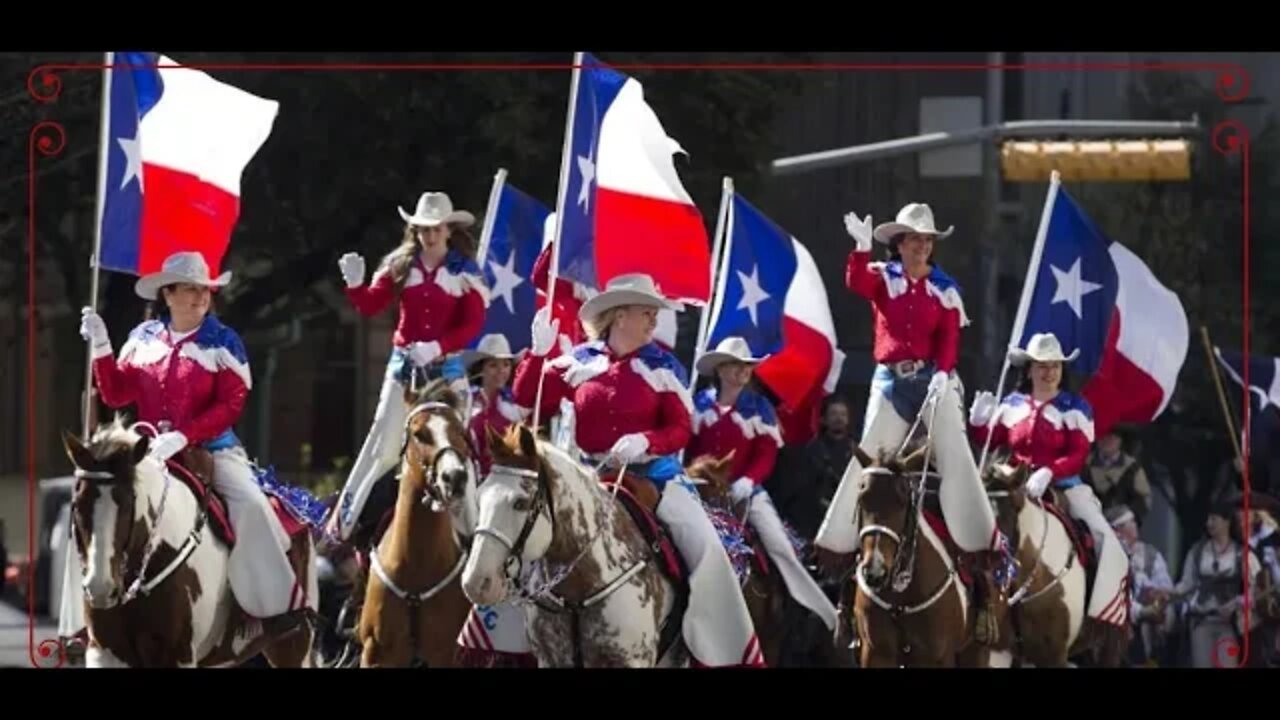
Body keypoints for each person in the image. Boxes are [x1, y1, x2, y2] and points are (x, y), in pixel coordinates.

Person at [512, 273, 764, 667]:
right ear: (619, 316)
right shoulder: (578, 360)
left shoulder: (665, 366)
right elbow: (528, 400)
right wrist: (537, 354)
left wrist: (646, 441)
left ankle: (722, 653)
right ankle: (506, 642)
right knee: (522, 542)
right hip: (590, 477)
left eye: (653, 314)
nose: (653, 321)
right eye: (647, 313)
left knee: (709, 549)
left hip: (655, 477)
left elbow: (680, 428)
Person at [77, 251, 308, 634]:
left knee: (251, 505)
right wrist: (102, 348)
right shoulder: (142, 338)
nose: (200, 297)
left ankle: (277, 608)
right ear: (167, 295)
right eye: (189, 289)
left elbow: (231, 403)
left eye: (205, 290)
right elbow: (116, 395)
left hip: (212, 449)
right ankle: (86, 617)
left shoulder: (223, 340)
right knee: (96, 506)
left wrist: (184, 435)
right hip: (147, 452)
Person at [815, 203, 1012, 628]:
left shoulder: (945, 288)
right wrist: (860, 250)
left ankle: (980, 551)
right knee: (869, 461)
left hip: (932, 379)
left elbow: (948, 342)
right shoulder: (884, 278)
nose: (922, 246)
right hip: (890, 380)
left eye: (927, 240)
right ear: (900, 245)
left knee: (956, 457)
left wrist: (942, 375)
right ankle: (842, 555)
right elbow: (855, 282)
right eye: (914, 239)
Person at [327, 191, 488, 543]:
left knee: (459, 447)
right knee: (381, 446)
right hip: (404, 367)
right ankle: (340, 530)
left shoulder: (465, 272)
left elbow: (473, 324)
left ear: (449, 230)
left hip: (446, 371)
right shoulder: (401, 265)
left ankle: (471, 537)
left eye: (436, 228)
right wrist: (356, 286)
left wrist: (439, 346)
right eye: (422, 228)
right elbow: (370, 305)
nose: (429, 235)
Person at [969, 332, 1131, 635]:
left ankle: (1101, 615)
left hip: (1064, 485)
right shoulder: (1012, 403)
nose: (1049, 372)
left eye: (1055, 365)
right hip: (1011, 483)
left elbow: (1079, 453)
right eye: (1042, 365)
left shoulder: (1075, 406)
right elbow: (988, 441)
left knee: (1104, 538)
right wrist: (978, 422)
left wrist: (1049, 472)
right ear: (1029, 369)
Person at [686, 336, 839, 634]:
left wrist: (748, 480)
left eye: (747, 367)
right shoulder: (699, 404)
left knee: (779, 546)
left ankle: (820, 615)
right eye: (735, 366)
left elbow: (766, 454)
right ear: (720, 370)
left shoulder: (759, 407)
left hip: (747, 492)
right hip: (701, 491)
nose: (742, 373)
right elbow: (688, 449)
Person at [1106, 504, 1174, 665]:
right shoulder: (1110, 557)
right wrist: (1142, 611)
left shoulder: (1150, 553)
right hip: (1119, 626)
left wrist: (1156, 593)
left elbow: (1165, 585)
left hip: (1146, 626)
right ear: (1118, 530)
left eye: (1134, 522)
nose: (1134, 525)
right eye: (1129, 522)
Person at [460, 333, 527, 475]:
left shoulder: (515, 404)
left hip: (506, 480)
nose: (501, 371)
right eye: (493, 365)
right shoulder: (466, 401)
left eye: (506, 365)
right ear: (480, 369)